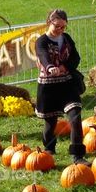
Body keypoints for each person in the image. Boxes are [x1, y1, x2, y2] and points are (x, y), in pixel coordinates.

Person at [34, 10, 87, 164]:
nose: (60, 30)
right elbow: (42, 55)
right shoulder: (41, 41)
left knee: (75, 116)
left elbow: (76, 58)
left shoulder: (67, 38)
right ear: (49, 23)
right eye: (57, 26)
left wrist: (64, 68)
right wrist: (50, 67)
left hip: (67, 84)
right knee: (50, 123)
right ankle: (49, 148)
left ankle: (77, 155)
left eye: (63, 27)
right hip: (48, 87)